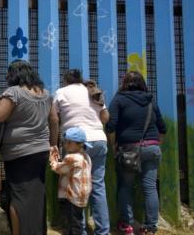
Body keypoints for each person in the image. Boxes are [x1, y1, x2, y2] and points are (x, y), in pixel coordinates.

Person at [0, 59, 55, 235]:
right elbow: (54, 120)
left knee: (18, 197)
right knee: (36, 197)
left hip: (18, 154)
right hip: (41, 151)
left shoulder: (14, 92)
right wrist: (53, 144)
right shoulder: (46, 94)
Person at [106, 71, 166, 235]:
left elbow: (111, 126)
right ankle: (150, 227)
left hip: (128, 150)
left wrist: (113, 147)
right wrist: (154, 144)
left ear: (124, 83)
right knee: (149, 187)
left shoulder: (119, 100)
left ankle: (128, 225)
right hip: (152, 148)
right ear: (142, 83)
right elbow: (163, 128)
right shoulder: (150, 100)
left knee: (126, 186)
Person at [50, 69, 110, 235]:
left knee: (73, 185)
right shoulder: (92, 91)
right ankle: (103, 230)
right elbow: (105, 118)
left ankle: (78, 230)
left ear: (65, 81)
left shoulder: (61, 92)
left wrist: (54, 143)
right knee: (98, 186)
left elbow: (54, 119)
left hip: (75, 143)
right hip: (98, 139)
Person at [50, 127, 92, 235]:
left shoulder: (71, 157)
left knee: (72, 225)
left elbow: (58, 169)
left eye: (69, 142)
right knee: (78, 221)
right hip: (82, 196)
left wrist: (53, 159)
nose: (66, 145)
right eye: (65, 142)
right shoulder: (86, 156)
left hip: (72, 197)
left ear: (80, 144)